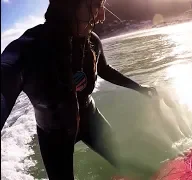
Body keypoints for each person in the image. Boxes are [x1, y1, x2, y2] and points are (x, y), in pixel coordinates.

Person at [1, 0, 157, 179]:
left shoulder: (92, 41)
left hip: (90, 119)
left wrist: (140, 88)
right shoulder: (30, 48)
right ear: (70, 6)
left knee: (127, 160)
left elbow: (105, 69)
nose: (102, 16)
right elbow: (6, 76)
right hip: (54, 136)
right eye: (96, 5)